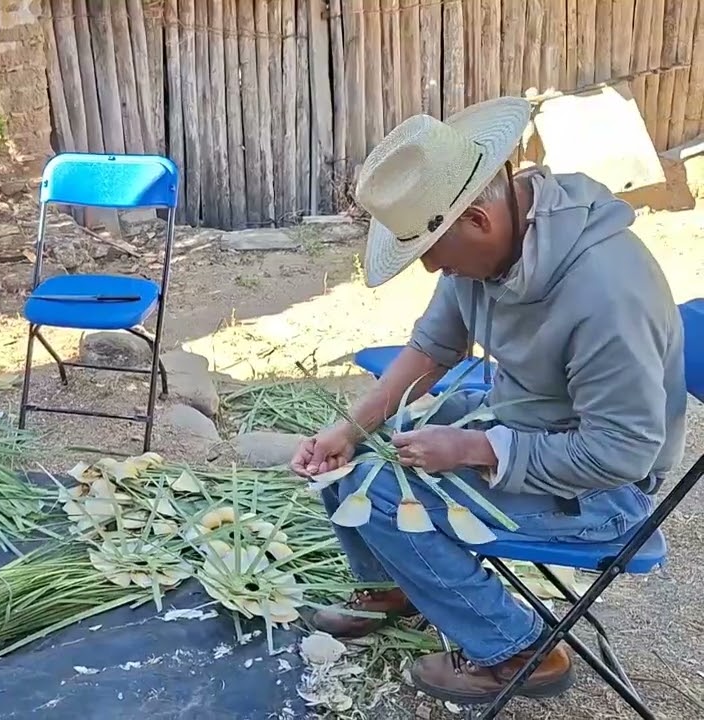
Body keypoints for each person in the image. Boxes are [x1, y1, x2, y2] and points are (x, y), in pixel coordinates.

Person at [290, 97, 686, 705]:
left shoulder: (607, 293)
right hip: (527, 425)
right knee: (357, 463)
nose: (428, 268)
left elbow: (624, 452)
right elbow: (432, 346)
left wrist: (474, 447)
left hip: (607, 490)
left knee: (391, 499)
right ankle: (405, 585)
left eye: (431, 251)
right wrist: (349, 428)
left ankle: (520, 649)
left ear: (477, 221)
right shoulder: (487, 250)